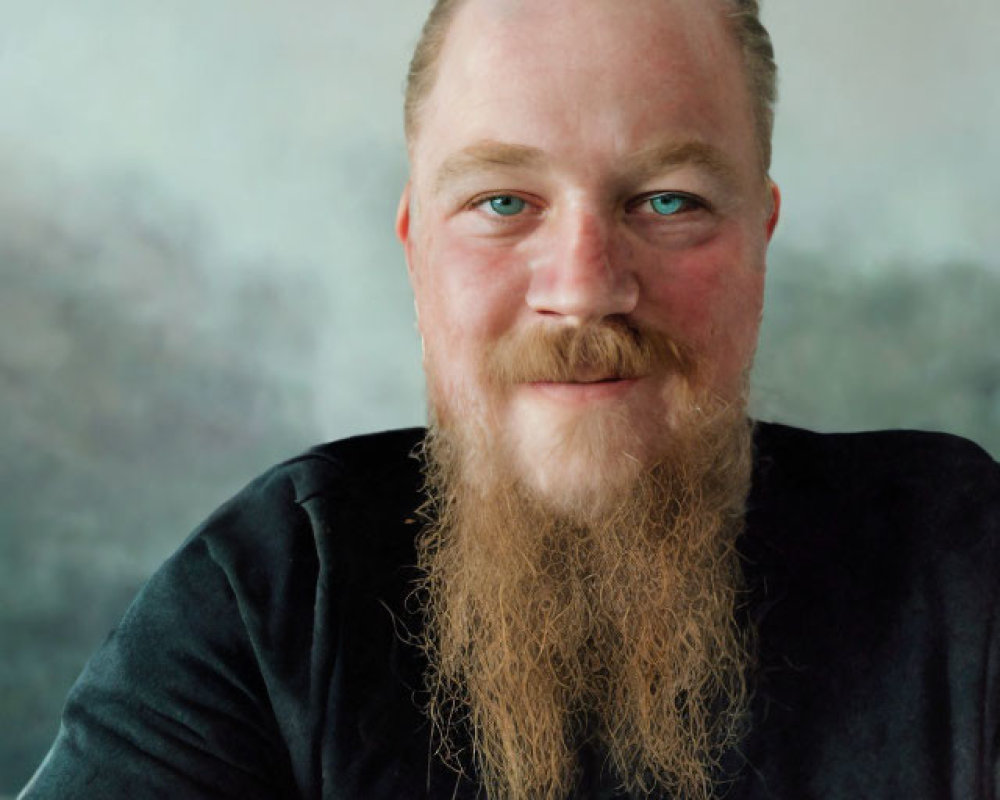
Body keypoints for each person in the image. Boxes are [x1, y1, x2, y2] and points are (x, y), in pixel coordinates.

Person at [20, 0, 999, 798]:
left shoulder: (959, 567)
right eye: (502, 202)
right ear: (414, 243)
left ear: (760, 233)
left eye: (666, 199)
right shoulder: (280, 591)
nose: (582, 285)